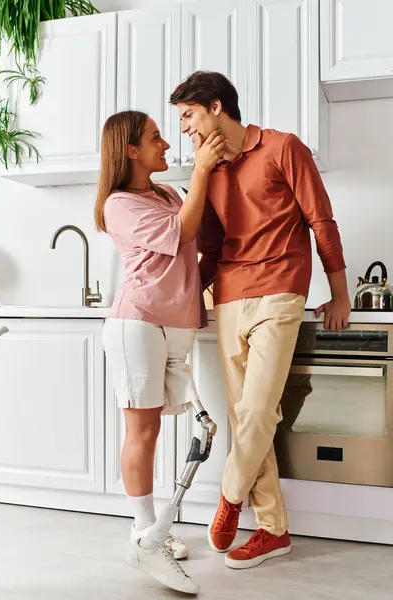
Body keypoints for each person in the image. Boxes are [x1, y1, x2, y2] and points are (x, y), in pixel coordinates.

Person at [170, 71, 351, 570]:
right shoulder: (205, 171)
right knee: (247, 416)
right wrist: (184, 298)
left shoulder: (283, 147)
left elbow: (321, 220)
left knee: (256, 409)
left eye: (188, 116)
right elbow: (207, 249)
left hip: (280, 292)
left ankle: (229, 498)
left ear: (215, 107)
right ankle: (273, 530)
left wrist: (341, 294)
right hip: (227, 297)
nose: (184, 129)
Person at [94, 110, 224, 593]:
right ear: (130, 149)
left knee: (158, 427)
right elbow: (184, 234)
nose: (167, 143)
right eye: (155, 138)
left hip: (172, 323)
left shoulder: (167, 194)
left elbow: (200, 236)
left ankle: (152, 533)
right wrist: (204, 169)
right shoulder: (119, 204)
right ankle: (144, 536)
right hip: (139, 322)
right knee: (142, 428)